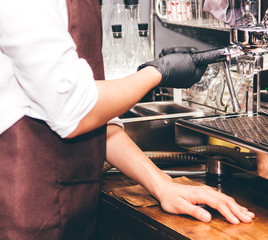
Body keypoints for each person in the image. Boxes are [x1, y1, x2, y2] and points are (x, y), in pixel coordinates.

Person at [0, 0, 254, 239]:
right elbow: (76, 110)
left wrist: (162, 185)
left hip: (72, 203)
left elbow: (97, 117)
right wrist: (159, 73)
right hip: (22, 205)